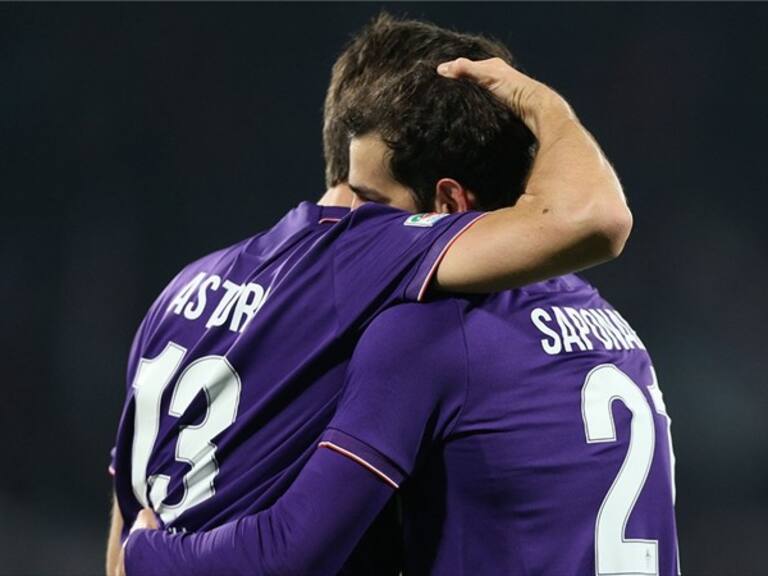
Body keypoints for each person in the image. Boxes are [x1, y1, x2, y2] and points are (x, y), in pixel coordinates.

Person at [108, 14, 632, 576]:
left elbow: (125, 526)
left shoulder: (183, 286)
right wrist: (545, 106)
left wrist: (143, 556)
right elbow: (595, 218)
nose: (365, 218)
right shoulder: (601, 321)